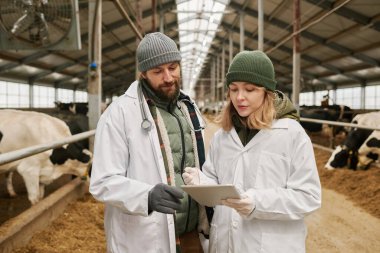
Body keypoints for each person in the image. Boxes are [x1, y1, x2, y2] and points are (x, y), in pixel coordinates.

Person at [182, 50, 321, 253]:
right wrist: (203, 182)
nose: (240, 97)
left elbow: (308, 197)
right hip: (225, 243)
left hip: (271, 246)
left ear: (267, 91)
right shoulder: (223, 136)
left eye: (250, 89)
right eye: (233, 89)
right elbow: (218, 184)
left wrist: (258, 203)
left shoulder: (291, 133)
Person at [89, 32, 211, 253]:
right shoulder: (120, 114)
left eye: (173, 68)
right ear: (143, 73)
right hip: (148, 238)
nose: (168, 77)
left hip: (192, 234)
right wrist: (145, 196)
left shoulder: (187, 107)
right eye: (158, 71)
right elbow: (102, 182)